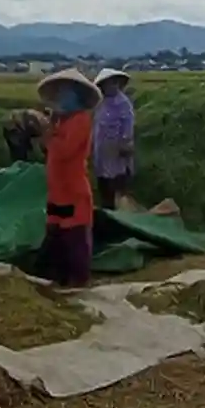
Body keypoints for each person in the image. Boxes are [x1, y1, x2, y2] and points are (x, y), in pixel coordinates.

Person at [34, 69, 102, 288]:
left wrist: (48, 135)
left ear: (77, 97)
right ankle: (56, 278)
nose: (61, 98)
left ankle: (78, 282)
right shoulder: (61, 122)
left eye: (66, 94)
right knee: (56, 234)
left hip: (73, 191)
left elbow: (65, 150)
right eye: (60, 94)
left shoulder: (81, 120)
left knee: (75, 237)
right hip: (58, 191)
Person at [92, 68, 135, 210]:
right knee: (104, 187)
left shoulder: (123, 103)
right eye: (109, 83)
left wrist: (125, 142)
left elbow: (128, 125)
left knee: (117, 189)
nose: (112, 86)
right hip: (102, 152)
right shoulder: (100, 103)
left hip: (117, 153)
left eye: (115, 82)